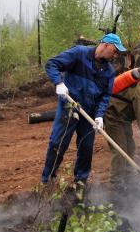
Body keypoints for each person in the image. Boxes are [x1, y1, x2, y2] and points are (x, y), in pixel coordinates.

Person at [41, 33, 125, 184]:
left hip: (89, 112)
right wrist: (58, 83)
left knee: (86, 147)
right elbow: (52, 64)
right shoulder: (79, 53)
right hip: (70, 106)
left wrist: (99, 116)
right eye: (115, 50)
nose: (115, 54)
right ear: (106, 45)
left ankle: (80, 181)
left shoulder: (109, 71)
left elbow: (105, 96)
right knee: (58, 143)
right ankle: (47, 180)